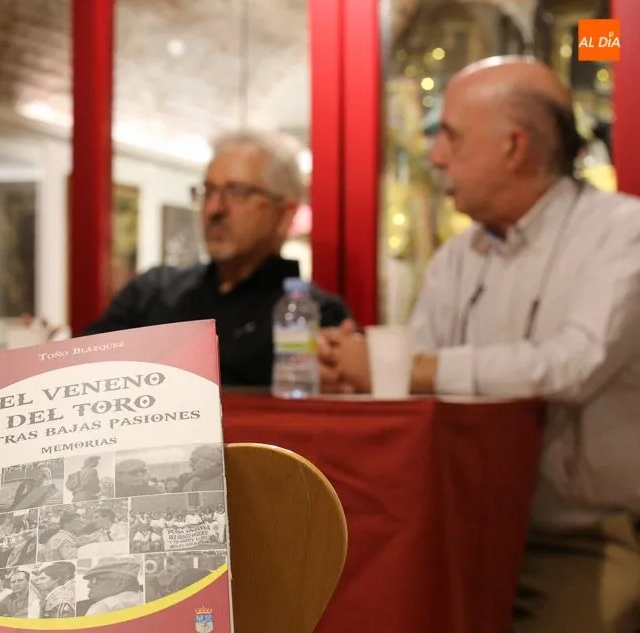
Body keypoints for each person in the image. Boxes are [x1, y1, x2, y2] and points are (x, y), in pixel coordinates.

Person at [322, 56, 640, 633]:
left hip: (581, 538)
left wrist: (407, 369)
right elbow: (415, 378)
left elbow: (573, 364)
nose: (435, 155)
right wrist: (352, 370)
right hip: (458, 528)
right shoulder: (455, 259)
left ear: (513, 147)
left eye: (449, 134)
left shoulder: (623, 232)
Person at [83, 130, 350, 386]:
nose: (214, 209)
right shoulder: (151, 292)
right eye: (208, 191)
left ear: (285, 214)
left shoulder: (314, 313)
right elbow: (81, 370)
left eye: (237, 192)